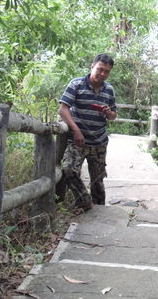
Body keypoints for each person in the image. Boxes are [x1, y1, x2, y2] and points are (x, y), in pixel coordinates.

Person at [58, 53, 117, 212]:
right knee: (68, 170)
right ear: (92, 66)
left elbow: (113, 116)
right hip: (78, 141)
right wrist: (76, 130)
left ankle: (100, 213)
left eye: (106, 71)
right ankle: (85, 201)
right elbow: (63, 109)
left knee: (98, 181)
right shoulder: (76, 84)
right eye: (100, 69)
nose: (102, 74)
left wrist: (108, 113)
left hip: (99, 142)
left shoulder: (109, 90)